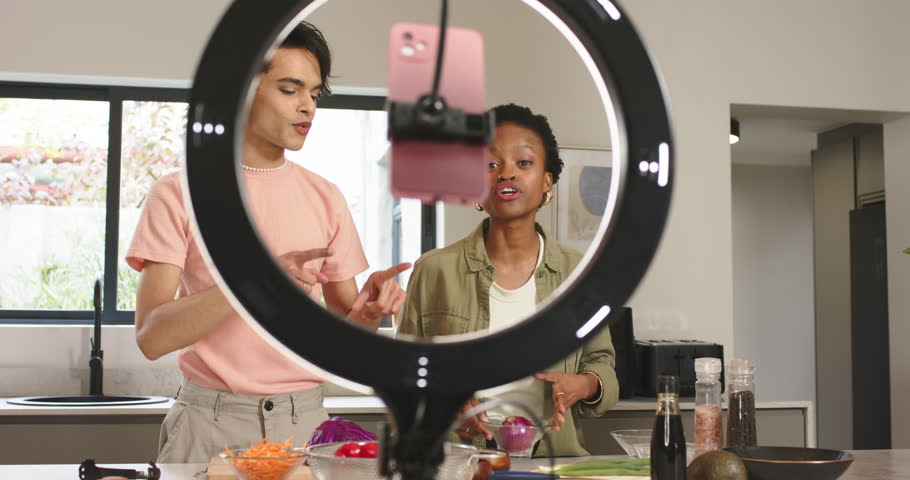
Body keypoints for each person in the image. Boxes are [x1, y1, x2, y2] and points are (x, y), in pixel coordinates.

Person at [127, 21, 408, 463]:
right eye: (290, 89)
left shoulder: (326, 197)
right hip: (207, 425)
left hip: (306, 426)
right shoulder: (180, 192)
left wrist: (369, 315)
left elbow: (347, 340)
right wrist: (256, 282)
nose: (307, 108)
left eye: (314, 94)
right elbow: (151, 337)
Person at [397, 103, 619, 457]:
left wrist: (584, 384)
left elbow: (601, 364)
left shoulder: (580, 274)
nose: (506, 174)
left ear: (547, 180)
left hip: (553, 460)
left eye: (524, 163)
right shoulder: (433, 270)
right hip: (460, 463)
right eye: (490, 164)